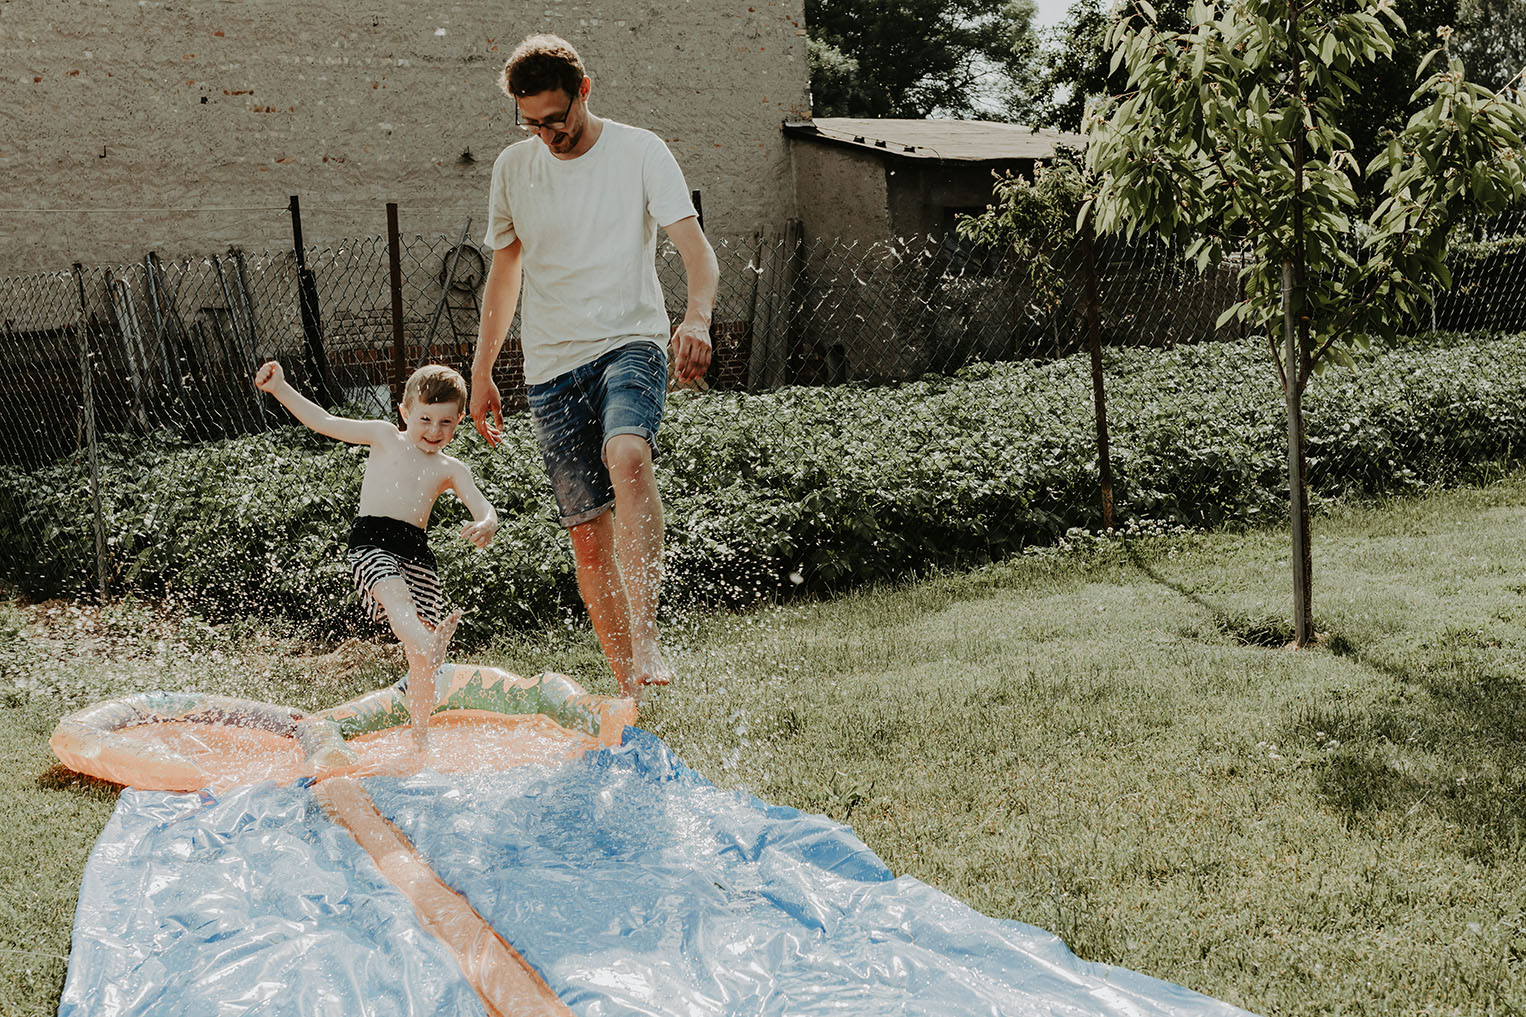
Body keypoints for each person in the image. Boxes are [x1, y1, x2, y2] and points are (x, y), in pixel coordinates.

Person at [470, 33, 719, 699]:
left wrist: (695, 318)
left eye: (558, 117)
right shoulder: (512, 169)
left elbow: (698, 253)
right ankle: (629, 693)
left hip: (628, 341)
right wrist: (483, 369)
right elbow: (505, 273)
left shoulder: (640, 151)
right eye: (533, 123)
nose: (548, 133)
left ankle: (648, 633)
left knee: (629, 455)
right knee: (586, 541)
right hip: (551, 367)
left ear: (584, 91)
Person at [254, 360, 497, 707]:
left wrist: (487, 522)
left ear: (459, 420)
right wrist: (279, 388)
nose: (434, 430)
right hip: (371, 542)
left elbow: (482, 506)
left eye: (445, 421)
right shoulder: (384, 436)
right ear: (405, 412)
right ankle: (428, 645)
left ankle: (421, 738)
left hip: (416, 555)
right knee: (396, 599)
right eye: (424, 419)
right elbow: (324, 422)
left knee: (422, 664)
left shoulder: (451, 469)